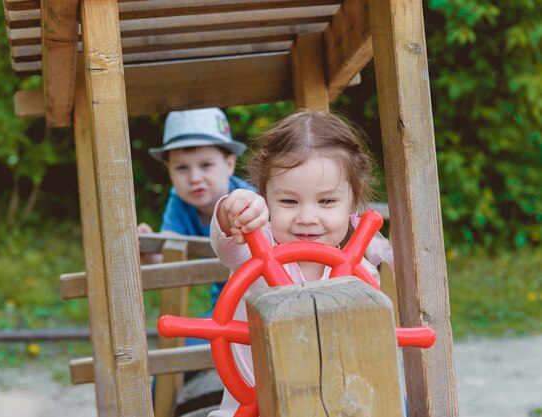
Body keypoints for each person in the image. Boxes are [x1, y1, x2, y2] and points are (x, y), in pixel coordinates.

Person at [208, 109, 386, 416]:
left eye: (327, 201)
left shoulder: (362, 277)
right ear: (264, 198)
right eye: (289, 201)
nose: (306, 217)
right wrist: (233, 209)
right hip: (252, 407)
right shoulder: (252, 245)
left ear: (353, 203)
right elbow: (224, 236)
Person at [137, 107, 256, 311]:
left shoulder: (249, 199)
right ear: (169, 170)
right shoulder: (180, 203)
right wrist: (149, 250)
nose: (194, 178)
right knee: (197, 341)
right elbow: (169, 257)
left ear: (229, 165)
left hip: (264, 295)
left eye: (206, 165)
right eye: (182, 168)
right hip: (225, 302)